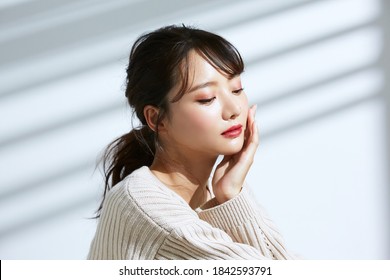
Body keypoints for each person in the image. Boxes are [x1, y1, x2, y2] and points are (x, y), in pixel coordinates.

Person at [87, 24, 296, 260]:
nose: (234, 109)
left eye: (237, 89)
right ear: (157, 118)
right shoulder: (149, 211)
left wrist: (229, 195)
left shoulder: (215, 194)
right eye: (207, 99)